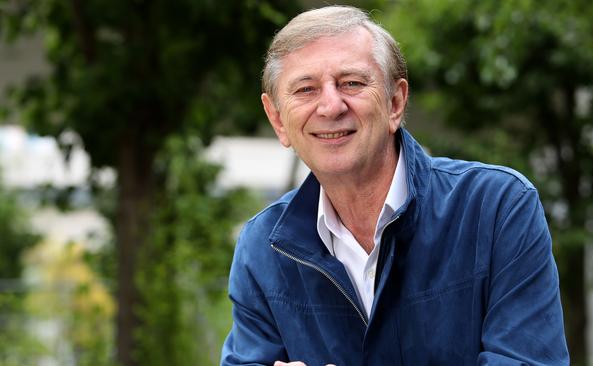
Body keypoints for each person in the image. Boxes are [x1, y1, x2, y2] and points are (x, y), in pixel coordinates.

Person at [221, 5, 569, 366]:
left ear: (395, 102)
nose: (330, 106)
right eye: (306, 89)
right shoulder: (264, 248)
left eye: (351, 83)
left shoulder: (496, 209)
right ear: (277, 119)